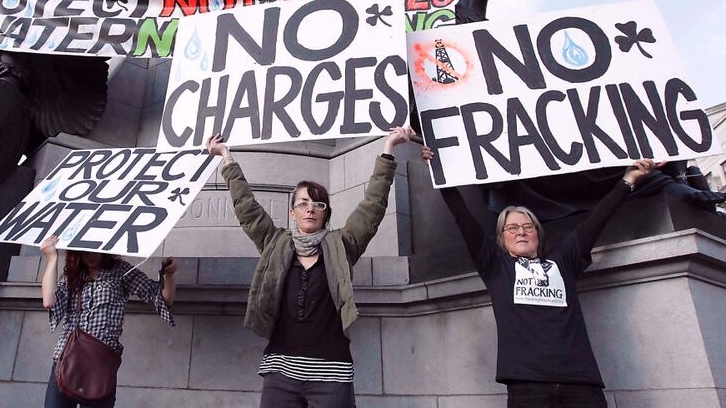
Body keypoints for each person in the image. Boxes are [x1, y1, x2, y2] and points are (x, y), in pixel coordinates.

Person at [423, 145, 655, 407]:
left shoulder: (563, 260)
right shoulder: (495, 266)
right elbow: (463, 218)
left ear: (537, 234)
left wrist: (628, 180)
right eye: (512, 227)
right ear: (501, 238)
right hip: (527, 388)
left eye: (527, 226)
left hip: (581, 385)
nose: (521, 232)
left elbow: (597, 220)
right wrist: (441, 174)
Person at [207, 127, 414, 408]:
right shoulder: (275, 242)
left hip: (332, 375)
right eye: (303, 203)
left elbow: (372, 206)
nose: (310, 209)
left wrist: (389, 147)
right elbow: (247, 208)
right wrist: (226, 157)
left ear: (325, 213)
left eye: (318, 204)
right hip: (280, 374)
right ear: (292, 212)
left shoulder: (342, 245)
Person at [40, 235, 177, 408]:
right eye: (84, 250)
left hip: (101, 363)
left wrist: (169, 275)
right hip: (66, 359)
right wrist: (52, 258)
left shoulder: (120, 271)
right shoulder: (72, 276)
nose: (90, 255)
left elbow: (163, 299)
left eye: (94, 248)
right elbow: (48, 301)